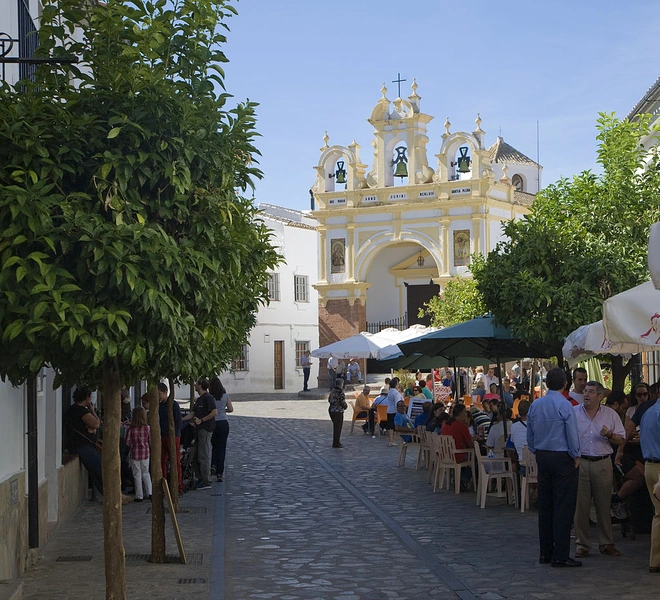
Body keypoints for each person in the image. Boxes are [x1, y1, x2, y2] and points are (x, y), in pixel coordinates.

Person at [526, 367, 581, 568]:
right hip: (561, 456)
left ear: (547, 383)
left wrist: (535, 449)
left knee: (546, 505)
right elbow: (572, 433)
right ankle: (560, 554)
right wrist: (576, 455)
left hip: (542, 455)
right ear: (565, 384)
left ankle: (545, 552)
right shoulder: (565, 406)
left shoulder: (536, 405)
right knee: (563, 506)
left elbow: (529, 431)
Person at [573, 381, 624, 558]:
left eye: (591, 392)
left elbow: (620, 439)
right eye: (585, 391)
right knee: (581, 506)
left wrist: (609, 435)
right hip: (582, 462)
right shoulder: (575, 413)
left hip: (602, 462)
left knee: (603, 504)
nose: (586, 395)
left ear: (600, 396)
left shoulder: (610, 415)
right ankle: (582, 544)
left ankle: (606, 543)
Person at [638, 397, 660, 572]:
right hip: (658, 467)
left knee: (658, 515)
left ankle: (656, 560)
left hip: (650, 466)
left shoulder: (648, 412)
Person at [183, 378, 217, 490]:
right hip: (198, 430)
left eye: (196, 383)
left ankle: (206, 481)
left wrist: (201, 420)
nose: (194, 385)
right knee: (197, 455)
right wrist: (180, 419)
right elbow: (192, 414)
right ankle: (200, 478)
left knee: (203, 455)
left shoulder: (208, 398)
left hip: (205, 429)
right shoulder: (199, 400)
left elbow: (214, 412)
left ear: (200, 385)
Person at [157, 382, 184, 495]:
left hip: (172, 437)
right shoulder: (158, 406)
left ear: (165, 393)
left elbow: (178, 421)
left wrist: (174, 434)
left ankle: (178, 486)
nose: (158, 396)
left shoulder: (173, 405)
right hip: (161, 437)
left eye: (159, 394)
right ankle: (164, 486)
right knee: (161, 462)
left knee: (175, 462)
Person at [124, 406, 152, 502]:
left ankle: (139, 495)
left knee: (137, 474)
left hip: (135, 453)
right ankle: (150, 493)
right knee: (146, 473)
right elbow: (150, 441)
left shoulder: (131, 429)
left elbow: (128, 442)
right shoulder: (147, 428)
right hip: (145, 453)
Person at [210, 377, 233, 483]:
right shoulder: (225, 396)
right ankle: (220, 472)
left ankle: (213, 464)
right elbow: (231, 409)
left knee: (214, 445)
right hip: (223, 422)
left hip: (213, 423)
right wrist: (223, 410)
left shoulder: (210, 397)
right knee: (222, 448)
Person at [328, 378, 347, 448]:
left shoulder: (332, 391)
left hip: (331, 410)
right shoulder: (340, 392)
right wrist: (345, 406)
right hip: (338, 411)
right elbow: (341, 401)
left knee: (335, 426)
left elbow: (329, 400)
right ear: (341, 384)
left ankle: (336, 442)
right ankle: (336, 442)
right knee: (338, 427)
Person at [386, 377, 403, 447]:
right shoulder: (396, 393)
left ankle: (390, 440)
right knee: (396, 425)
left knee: (390, 426)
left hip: (389, 410)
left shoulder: (390, 392)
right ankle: (395, 440)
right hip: (395, 411)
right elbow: (398, 402)